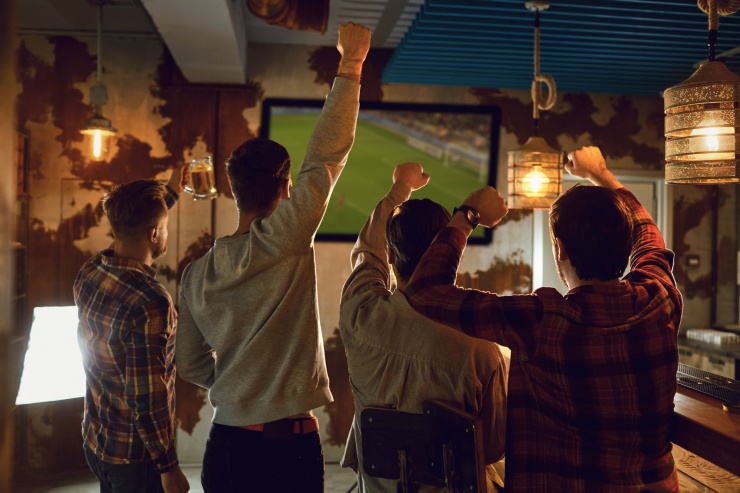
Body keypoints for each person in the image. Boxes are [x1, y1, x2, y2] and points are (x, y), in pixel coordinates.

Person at [406, 146, 682, 492]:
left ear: (560, 249)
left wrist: (468, 215)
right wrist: (601, 173)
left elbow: (424, 290)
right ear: (628, 248)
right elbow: (648, 233)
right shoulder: (660, 296)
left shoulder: (540, 320)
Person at [175, 22, 371, 493]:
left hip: (225, 444)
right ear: (285, 189)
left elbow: (189, 363)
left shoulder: (196, 275)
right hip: (290, 448)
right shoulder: (283, 237)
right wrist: (351, 62)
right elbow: (326, 156)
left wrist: (239, 383)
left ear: (234, 191)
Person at [339, 162, 508, 492]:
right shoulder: (483, 349)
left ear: (390, 255)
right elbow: (493, 447)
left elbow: (366, 253)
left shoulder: (360, 315)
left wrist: (399, 188)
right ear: (454, 252)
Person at [74, 167, 191, 493]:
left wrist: (169, 193)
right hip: (136, 460)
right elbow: (147, 398)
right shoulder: (151, 302)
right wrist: (169, 469)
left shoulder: (91, 269)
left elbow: (134, 225)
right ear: (154, 234)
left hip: (97, 442)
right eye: (163, 228)